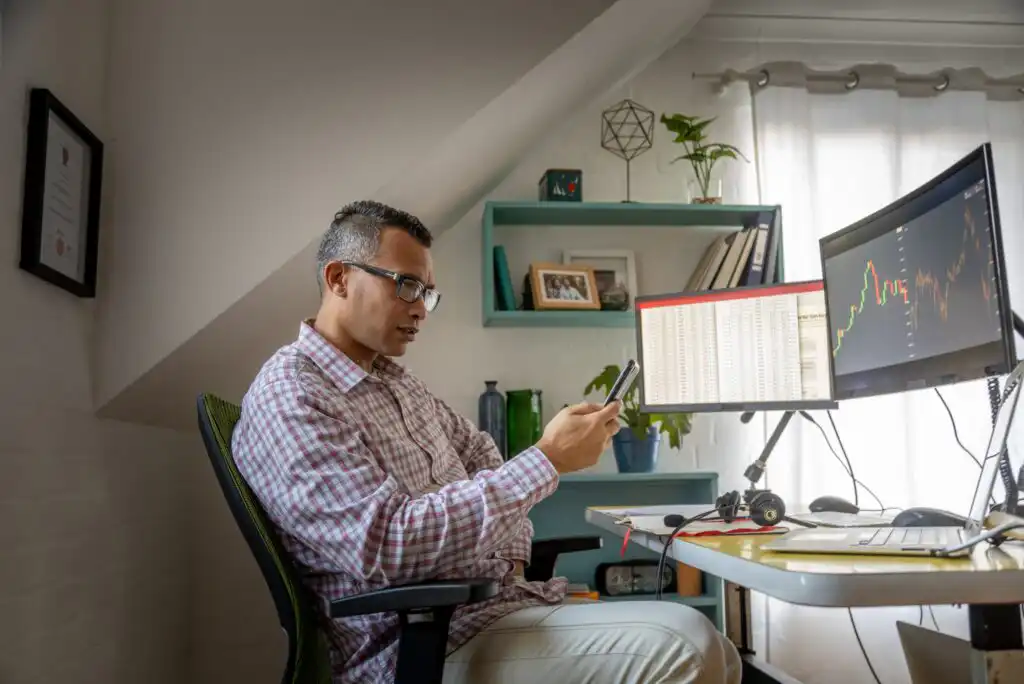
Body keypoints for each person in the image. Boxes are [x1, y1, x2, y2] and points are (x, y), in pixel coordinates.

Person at [232, 200, 742, 684]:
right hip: (419, 645)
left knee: (720, 650)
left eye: (428, 293)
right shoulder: (293, 395)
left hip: (495, 609)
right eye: (407, 285)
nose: (422, 310)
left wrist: (511, 551)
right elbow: (384, 543)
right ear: (339, 278)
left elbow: (481, 454)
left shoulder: (394, 381)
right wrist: (546, 460)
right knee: (689, 643)